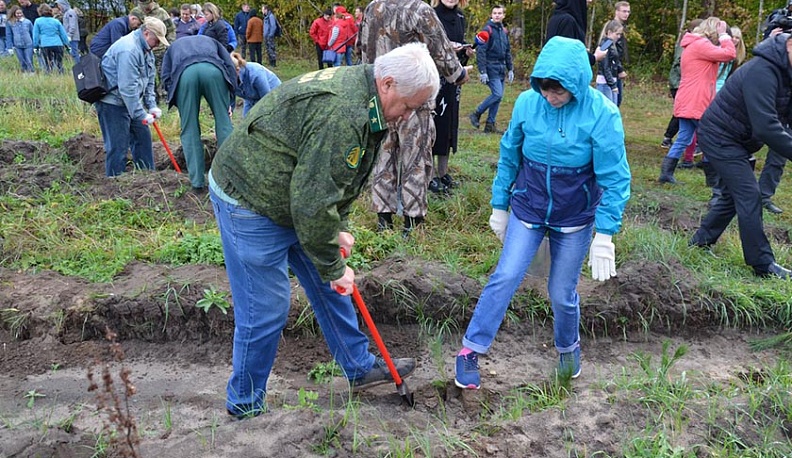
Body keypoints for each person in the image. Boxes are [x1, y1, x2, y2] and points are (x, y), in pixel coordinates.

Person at [208, 43, 439, 419]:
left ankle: (359, 367)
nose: (407, 115)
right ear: (389, 83)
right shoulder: (343, 113)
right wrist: (332, 262)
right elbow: (313, 203)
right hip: (250, 197)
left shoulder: (370, 99)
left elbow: (341, 176)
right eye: (409, 106)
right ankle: (245, 405)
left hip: (293, 191)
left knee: (333, 284)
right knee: (267, 309)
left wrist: (339, 229)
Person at [454, 36, 631, 390]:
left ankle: (568, 349)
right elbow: (510, 155)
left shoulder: (602, 114)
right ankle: (471, 351)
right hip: (529, 207)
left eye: (559, 91)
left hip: (574, 217)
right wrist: (499, 205)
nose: (550, 97)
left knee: (562, 292)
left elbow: (616, 178)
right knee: (505, 275)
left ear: (577, 84)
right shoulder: (527, 103)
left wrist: (605, 234)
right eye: (545, 89)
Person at [359, 0, 470, 236]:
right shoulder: (419, 9)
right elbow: (441, 50)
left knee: (383, 155)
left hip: (379, 93)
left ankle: (384, 219)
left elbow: (363, 48)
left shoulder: (372, 7)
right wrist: (459, 74)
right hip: (413, 96)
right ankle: (412, 223)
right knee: (415, 158)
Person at [689, 32, 792, 279]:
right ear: (790, 45)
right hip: (719, 136)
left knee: (731, 196)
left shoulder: (786, 73)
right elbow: (766, 126)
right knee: (749, 194)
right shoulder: (763, 71)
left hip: (739, 139)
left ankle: (700, 243)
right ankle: (762, 264)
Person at [658, 18, 735, 184]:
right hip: (697, 100)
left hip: (687, 97)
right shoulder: (701, 45)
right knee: (711, 137)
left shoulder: (693, 44)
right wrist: (724, 36)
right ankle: (712, 179)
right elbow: (729, 54)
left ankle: (666, 173)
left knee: (684, 137)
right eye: (719, 32)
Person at [161, 35, 235, 192]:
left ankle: (197, 184)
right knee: (224, 123)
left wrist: (175, 96)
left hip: (185, 74)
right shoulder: (210, 40)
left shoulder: (173, 46)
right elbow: (229, 65)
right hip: (214, 71)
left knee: (190, 129)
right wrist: (231, 100)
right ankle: (227, 179)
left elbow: (166, 76)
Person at [96, 17, 169, 177]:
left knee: (143, 139)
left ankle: (148, 178)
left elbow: (150, 79)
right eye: (156, 40)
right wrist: (141, 114)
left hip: (131, 102)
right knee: (118, 146)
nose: (157, 44)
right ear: (146, 33)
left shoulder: (146, 50)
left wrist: (151, 105)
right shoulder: (129, 50)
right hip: (112, 103)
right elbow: (127, 88)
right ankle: (115, 183)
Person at [429, 0, 473, 194]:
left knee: (449, 125)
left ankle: (443, 172)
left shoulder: (460, 17)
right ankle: (429, 176)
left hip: (453, 79)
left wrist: (466, 53)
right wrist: (445, 52)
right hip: (434, 77)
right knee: (434, 124)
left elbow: (460, 54)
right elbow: (424, 47)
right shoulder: (430, 15)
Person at [468, 5, 513, 134]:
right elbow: (481, 51)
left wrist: (510, 69)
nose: (497, 15)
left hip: (501, 68)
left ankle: (490, 124)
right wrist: (483, 71)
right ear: (491, 15)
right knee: (497, 94)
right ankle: (476, 113)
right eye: (494, 13)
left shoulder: (504, 32)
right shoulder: (487, 30)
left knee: (498, 98)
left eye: (499, 13)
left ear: (503, 15)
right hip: (490, 67)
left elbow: (507, 51)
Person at [661, 18, 702, 149]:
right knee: (681, 113)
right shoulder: (687, 43)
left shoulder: (690, 42)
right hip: (679, 83)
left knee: (681, 113)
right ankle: (668, 138)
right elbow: (679, 63)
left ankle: (670, 138)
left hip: (681, 83)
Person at [545, 0, 606, 65]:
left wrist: (581, 50)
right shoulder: (568, 22)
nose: (590, 1)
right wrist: (594, 57)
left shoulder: (556, 18)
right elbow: (569, 57)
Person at [229, 51, 280, 116]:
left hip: (273, 95)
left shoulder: (256, 74)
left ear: (237, 70)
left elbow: (267, 100)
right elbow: (230, 104)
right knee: (246, 122)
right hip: (251, 99)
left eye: (229, 74)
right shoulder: (228, 79)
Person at [32, 4, 68, 74]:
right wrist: (66, 44)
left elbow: (35, 35)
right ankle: (61, 76)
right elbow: (63, 34)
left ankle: (49, 76)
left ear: (40, 11)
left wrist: (35, 45)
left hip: (45, 44)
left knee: (48, 64)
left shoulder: (38, 21)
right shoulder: (56, 21)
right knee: (59, 63)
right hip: (58, 44)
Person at [595, 20, 623, 105]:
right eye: (617, 34)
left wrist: (620, 70)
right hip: (605, 82)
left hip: (610, 81)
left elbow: (615, 61)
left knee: (613, 108)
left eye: (620, 34)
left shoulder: (611, 44)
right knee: (607, 111)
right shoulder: (605, 45)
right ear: (609, 32)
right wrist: (612, 85)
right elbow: (605, 66)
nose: (619, 37)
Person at [612, 1, 630, 106]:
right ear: (617, 12)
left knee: (617, 101)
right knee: (614, 102)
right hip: (611, 71)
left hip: (615, 70)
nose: (626, 14)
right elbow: (609, 49)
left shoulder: (620, 27)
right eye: (624, 11)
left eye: (628, 11)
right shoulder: (612, 27)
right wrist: (620, 69)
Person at [6, 6, 34, 72]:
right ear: (14, 14)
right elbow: (9, 35)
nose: (19, 15)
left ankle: (31, 73)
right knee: (22, 61)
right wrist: (9, 47)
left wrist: (35, 45)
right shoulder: (10, 23)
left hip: (28, 44)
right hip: (18, 45)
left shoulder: (27, 22)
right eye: (17, 13)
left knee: (29, 60)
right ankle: (24, 73)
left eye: (20, 13)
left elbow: (32, 33)